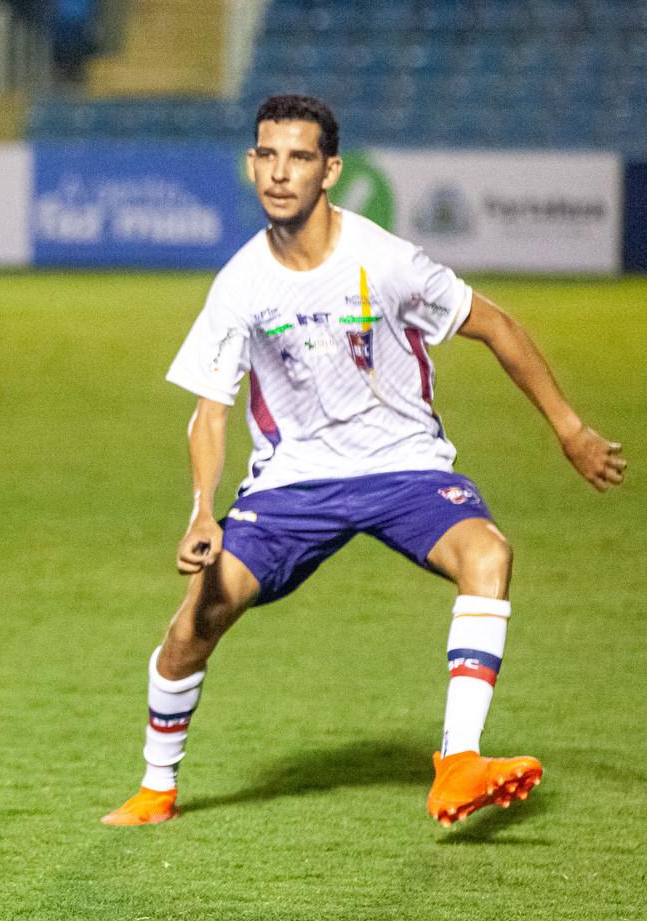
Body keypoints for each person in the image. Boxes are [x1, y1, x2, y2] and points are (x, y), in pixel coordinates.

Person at [101, 94, 626, 830]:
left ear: (331, 170)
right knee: (199, 618)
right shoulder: (240, 284)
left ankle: (459, 762)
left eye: (300, 157)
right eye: (268, 156)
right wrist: (199, 510)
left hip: (403, 467)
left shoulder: (385, 259)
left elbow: (496, 325)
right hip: (294, 481)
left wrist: (569, 428)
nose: (281, 173)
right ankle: (157, 787)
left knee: (489, 555)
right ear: (253, 164)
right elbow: (211, 411)